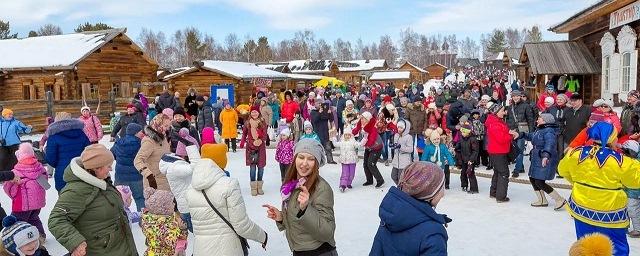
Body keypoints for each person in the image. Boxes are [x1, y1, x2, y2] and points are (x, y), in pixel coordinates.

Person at [558, 122, 640, 256]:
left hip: (581, 209)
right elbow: (636, 182)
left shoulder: (575, 153)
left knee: (586, 245)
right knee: (616, 247)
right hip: (610, 214)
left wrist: (579, 183)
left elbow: (562, 170)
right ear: (611, 138)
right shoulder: (622, 162)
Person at [48, 144, 137, 255]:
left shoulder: (101, 181)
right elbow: (56, 220)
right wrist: (75, 242)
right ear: (96, 168)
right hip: (101, 250)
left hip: (120, 246)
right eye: (108, 165)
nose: (111, 169)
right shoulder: (76, 190)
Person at [263, 139, 337, 255]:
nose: (304, 163)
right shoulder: (292, 184)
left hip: (319, 252)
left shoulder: (322, 188)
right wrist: (281, 217)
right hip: (299, 251)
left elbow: (327, 232)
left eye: (311, 159)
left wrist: (305, 209)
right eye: (301, 157)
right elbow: (297, 219)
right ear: (295, 158)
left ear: (316, 163)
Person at [187, 151, 268, 255]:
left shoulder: (190, 190)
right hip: (227, 249)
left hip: (201, 249)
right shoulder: (229, 185)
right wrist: (263, 237)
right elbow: (242, 225)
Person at [369, 162, 450, 255]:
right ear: (428, 191)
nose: (443, 194)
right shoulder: (433, 233)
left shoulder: (391, 215)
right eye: (440, 188)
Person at [521, 113, 567, 210]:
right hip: (537, 157)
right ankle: (542, 200)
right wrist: (521, 134)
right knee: (533, 178)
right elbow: (531, 136)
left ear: (545, 121)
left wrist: (546, 156)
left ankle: (559, 199)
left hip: (544, 157)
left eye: (539, 119)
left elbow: (550, 144)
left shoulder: (549, 131)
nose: (537, 120)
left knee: (539, 181)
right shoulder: (541, 129)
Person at [3, 143, 47, 241]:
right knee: (34, 218)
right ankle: (41, 236)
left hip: (22, 204)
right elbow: (45, 184)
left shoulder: (16, 171)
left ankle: (14, 239)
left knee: (16, 221)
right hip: (37, 203)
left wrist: (13, 195)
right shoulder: (40, 168)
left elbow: (7, 187)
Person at [45, 112, 90, 192]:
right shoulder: (81, 133)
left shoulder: (53, 136)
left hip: (63, 172)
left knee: (65, 199)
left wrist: (59, 165)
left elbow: (50, 159)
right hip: (81, 170)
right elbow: (88, 151)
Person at [485, 102, 519, 203]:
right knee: (504, 173)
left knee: (498, 171)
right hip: (498, 151)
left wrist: (509, 132)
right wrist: (512, 136)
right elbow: (501, 138)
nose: (504, 112)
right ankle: (501, 197)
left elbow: (503, 132)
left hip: (498, 150)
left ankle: (494, 192)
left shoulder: (497, 120)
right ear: (496, 112)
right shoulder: (494, 123)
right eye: (502, 111)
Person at [141, 187, 188, 256]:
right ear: (164, 208)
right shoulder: (165, 225)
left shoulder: (148, 220)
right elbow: (174, 243)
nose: (174, 204)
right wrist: (183, 230)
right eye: (171, 203)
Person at [111, 123, 145, 211]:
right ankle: (143, 217)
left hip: (120, 177)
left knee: (119, 199)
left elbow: (112, 155)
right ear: (136, 132)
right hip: (137, 177)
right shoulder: (141, 144)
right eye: (141, 131)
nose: (142, 133)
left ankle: (121, 218)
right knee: (140, 198)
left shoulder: (118, 143)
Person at [135, 114, 172, 191]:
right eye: (165, 126)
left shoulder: (163, 138)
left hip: (166, 180)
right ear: (157, 125)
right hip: (154, 183)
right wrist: (149, 176)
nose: (167, 129)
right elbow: (138, 160)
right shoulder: (149, 141)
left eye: (168, 126)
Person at [506, 90, 535, 178]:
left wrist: (530, 132)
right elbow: (508, 119)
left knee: (519, 150)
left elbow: (530, 119)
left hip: (522, 131)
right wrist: (509, 129)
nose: (516, 97)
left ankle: (517, 170)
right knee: (515, 149)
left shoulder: (526, 106)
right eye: (514, 96)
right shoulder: (510, 107)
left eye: (517, 96)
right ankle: (521, 166)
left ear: (520, 96)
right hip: (513, 131)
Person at [352, 111, 385, 188]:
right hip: (368, 147)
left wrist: (362, 144)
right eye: (361, 118)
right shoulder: (362, 125)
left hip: (376, 147)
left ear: (368, 119)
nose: (362, 120)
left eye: (364, 119)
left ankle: (380, 180)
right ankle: (369, 180)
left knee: (371, 164)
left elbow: (371, 140)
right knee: (365, 164)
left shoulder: (372, 127)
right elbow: (355, 130)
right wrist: (349, 134)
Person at [241, 106, 268, 196]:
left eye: (255, 112)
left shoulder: (262, 122)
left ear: (258, 112)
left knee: (261, 168)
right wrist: (242, 142)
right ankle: (253, 187)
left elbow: (264, 134)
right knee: (252, 168)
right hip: (250, 148)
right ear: (250, 113)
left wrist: (260, 140)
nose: (254, 114)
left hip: (260, 148)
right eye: (252, 112)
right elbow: (244, 134)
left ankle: (259, 187)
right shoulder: (247, 123)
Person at [620, 140, 640, 238]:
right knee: (624, 208)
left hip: (634, 191)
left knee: (632, 209)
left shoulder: (635, 162)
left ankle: (638, 229)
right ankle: (624, 226)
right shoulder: (627, 160)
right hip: (626, 189)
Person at [331, 128, 360, 192]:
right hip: (344, 160)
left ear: (351, 135)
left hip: (352, 160)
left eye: (348, 135)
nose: (347, 136)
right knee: (345, 173)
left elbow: (358, 145)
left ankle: (349, 183)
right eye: (345, 135)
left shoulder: (353, 142)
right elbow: (335, 144)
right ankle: (343, 185)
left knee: (352, 173)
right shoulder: (342, 142)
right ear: (343, 135)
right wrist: (334, 137)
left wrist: (364, 139)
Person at [457, 124, 479, 193]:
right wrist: (456, 147)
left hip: (470, 160)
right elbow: (459, 146)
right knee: (463, 173)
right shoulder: (461, 138)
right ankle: (464, 185)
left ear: (468, 132)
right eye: (461, 132)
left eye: (463, 132)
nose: (462, 133)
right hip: (464, 159)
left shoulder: (473, 139)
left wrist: (471, 160)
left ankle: (474, 188)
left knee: (470, 173)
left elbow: (475, 151)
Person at [390, 119, 412, 185]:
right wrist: (392, 146)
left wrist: (400, 147)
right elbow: (395, 145)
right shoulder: (396, 135)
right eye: (398, 127)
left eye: (401, 128)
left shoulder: (409, 137)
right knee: (393, 176)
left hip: (404, 161)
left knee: (401, 178)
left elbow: (410, 149)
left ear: (405, 128)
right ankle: (400, 188)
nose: (399, 129)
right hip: (396, 160)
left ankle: (401, 190)